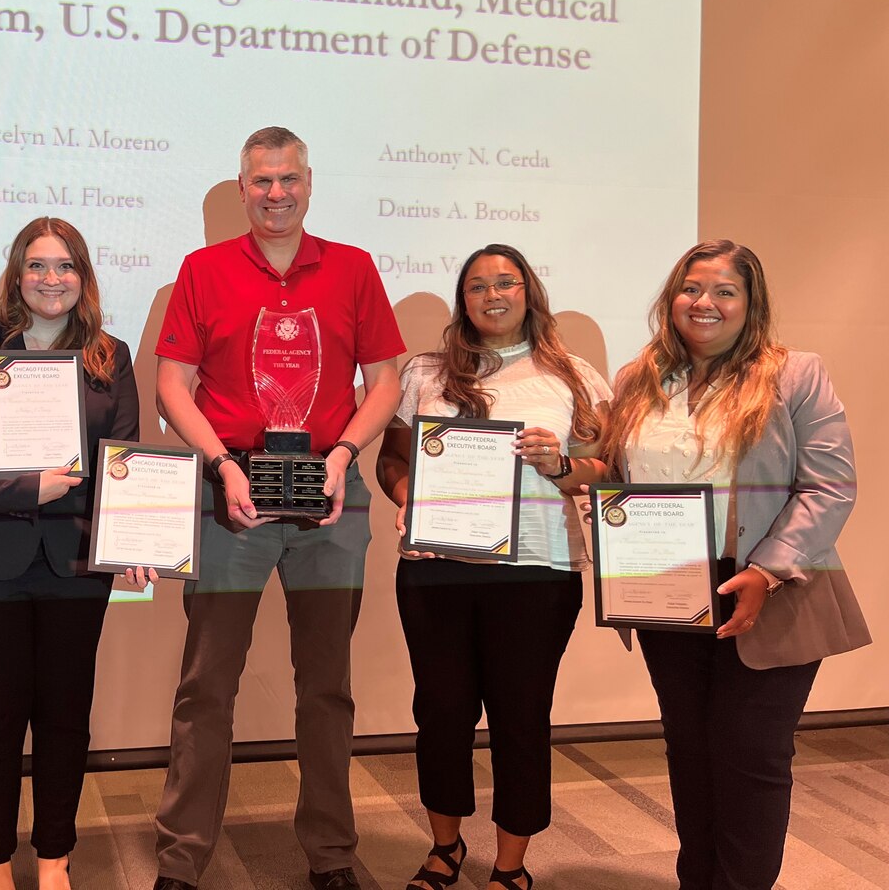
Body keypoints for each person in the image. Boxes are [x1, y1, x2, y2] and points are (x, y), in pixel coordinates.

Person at [151, 127, 405, 890]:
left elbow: (385, 381)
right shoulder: (202, 270)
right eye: (261, 182)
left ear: (309, 182)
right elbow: (172, 383)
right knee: (207, 687)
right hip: (233, 495)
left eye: (288, 179)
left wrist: (342, 456)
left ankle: (331, 856)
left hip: (332, 497)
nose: (275, 194)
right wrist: (223, 465)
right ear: (241, 189)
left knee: (326, 686)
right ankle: (182, 861)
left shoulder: (353, 268)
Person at [588, 240, 869, 890]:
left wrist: (766, 570)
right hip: (667, 590)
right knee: (691, 756)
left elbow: (830, 486)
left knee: (750, 758)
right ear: (672, 297)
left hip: (772, 591)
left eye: (724, 291)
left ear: (751, 303)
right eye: (692, 288)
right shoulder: (637, 378)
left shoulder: (795, 373)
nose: (705, 302)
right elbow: (616, 475)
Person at [376, 244, 611, 890]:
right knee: (442, 713)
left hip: (538, 569)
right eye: (478, 286)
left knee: (521, 715)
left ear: (529, 292)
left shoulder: (576, 376)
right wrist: (407, 497)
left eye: (506, 282)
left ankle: (511, 866)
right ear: (464, 299)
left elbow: (608, 471)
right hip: (435, 566)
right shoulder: (425, 371)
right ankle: (445, 848)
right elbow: (392, 462)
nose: (493, 295)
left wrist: (560, 465)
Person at [0, 217, 139, 890]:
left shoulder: (111, 353)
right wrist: (25, 487)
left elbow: (124, 462)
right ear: (17, 274)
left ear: (85, 275)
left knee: (64, 715)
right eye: (38, 265)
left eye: (66, 265)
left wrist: (136, 540)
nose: (53, 279)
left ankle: (54, 858)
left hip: (75, 561)